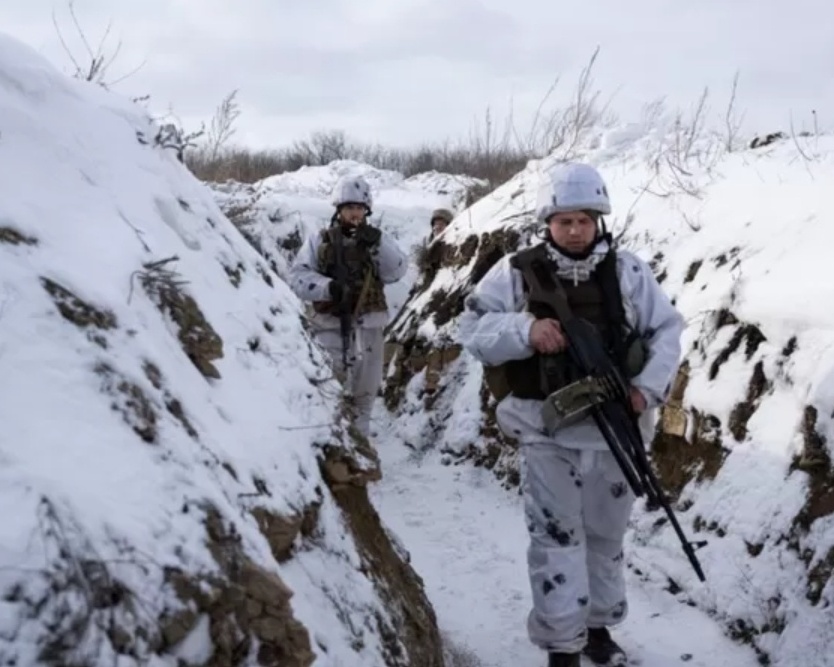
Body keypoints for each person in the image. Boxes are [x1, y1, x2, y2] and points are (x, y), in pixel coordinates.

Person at [457, 162, 684, 667]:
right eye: (564, 221)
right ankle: (563, 644)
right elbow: (471, 329)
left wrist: (646, 390)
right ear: (548, 223)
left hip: (616, 433)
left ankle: (598, 628)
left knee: (605, 539)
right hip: (546, 431)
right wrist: (524, 332)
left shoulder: (628, 272)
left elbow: (667, 331)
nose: (575, 230)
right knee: (556, 539)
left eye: (584, 219)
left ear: (598, 219)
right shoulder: (516, 273)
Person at [289, 174, 408, 438]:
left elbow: (397, 270)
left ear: (366, 210)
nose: (354, 213)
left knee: (364, 399)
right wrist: (328, 287)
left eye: (359, 208)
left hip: (369, 328)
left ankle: (361, 456)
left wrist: (377, 244)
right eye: (349, 208)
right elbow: (297, 277)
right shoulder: (320, 240)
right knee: (331, 393)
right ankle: (334, 451)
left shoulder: (378, 239)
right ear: (339, 210)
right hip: (330, 326)